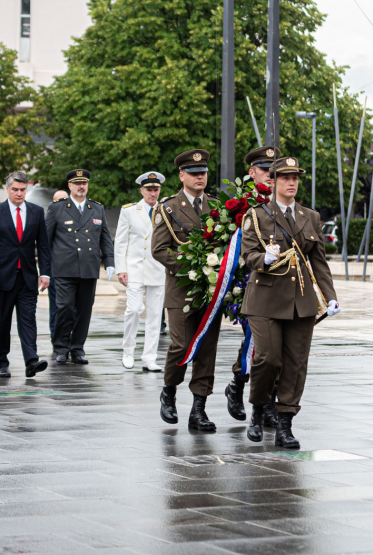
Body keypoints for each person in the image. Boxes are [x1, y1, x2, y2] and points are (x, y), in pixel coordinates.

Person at [239, 157, 340, 448]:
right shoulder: (257, 216)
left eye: (295, 178)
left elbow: (318, 261)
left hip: (301, 301)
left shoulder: (310, 216)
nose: (291, 183)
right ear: (273, 182)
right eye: (285, 178)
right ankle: (258, 409)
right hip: (265, 299)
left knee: (296, 364)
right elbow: (247, 256)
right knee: (268, 358)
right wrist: (264, 258)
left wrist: (330, 296)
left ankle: (285, 424)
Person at [152, 149, 222, 432]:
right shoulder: (168, 207)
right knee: (181, 346)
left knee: (207, 349)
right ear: (182, 176)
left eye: (203, 173)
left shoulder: (218, 207)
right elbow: (159, 249)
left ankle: (199, 409)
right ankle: (169, 391)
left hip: (210, 291)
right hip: (181, 289)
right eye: (193, 174)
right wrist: (191, 266)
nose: (199, 178)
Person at [222, 146, 280, 421]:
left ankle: (257, 395)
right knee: (256, 341)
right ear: (251, 172)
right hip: (246, 282)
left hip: (279, 284)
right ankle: (242, 387)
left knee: (274, 346)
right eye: (264, 170)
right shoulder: (241, 206)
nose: (270, 175)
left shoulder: (283, 204)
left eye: (273, 170)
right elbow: (227, 249)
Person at [0, 171, 51, 378]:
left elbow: (44, 246)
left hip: (27, 276)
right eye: (15, 190)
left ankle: (31, 360)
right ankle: (1, 361)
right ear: (7, 189)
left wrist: (45, 273)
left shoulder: (37, 212)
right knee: (1, 320)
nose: (19, 193)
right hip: (2, 277)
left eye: (22, 190)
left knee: (28, 319)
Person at [47, 169, 115, 366]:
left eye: (84, 183)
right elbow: (46, 239)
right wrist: (46, 266)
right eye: (77, 183)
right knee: (65, 307)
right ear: (69, 186)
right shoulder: (57, 208)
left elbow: (105, 238)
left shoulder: (97, 209)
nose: (81, 187)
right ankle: (61, 347)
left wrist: (109, 261)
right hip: (64, 268)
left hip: (88, 267)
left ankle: (77, 348)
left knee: (84, 310)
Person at [115, 171, 166, 371]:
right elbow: (120, 241)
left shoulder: (165, 210)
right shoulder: (129, 211)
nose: (153, 193)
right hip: (135, 268)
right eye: (149, 189)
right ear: (141, 190)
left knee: (155, 315)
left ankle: (149, 357)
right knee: (134, 310)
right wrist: (121, 268)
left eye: (156, 189)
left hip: (157, 269)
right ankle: (128, 351)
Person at [47, 189, 68, 341]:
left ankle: (69, 337)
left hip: (72, 269)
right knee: (56, 306)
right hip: (56, 268)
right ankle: (56, 337)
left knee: (71, 307)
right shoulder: (52, 215)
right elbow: (46, 243)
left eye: (64, 200)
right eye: (58, 200)